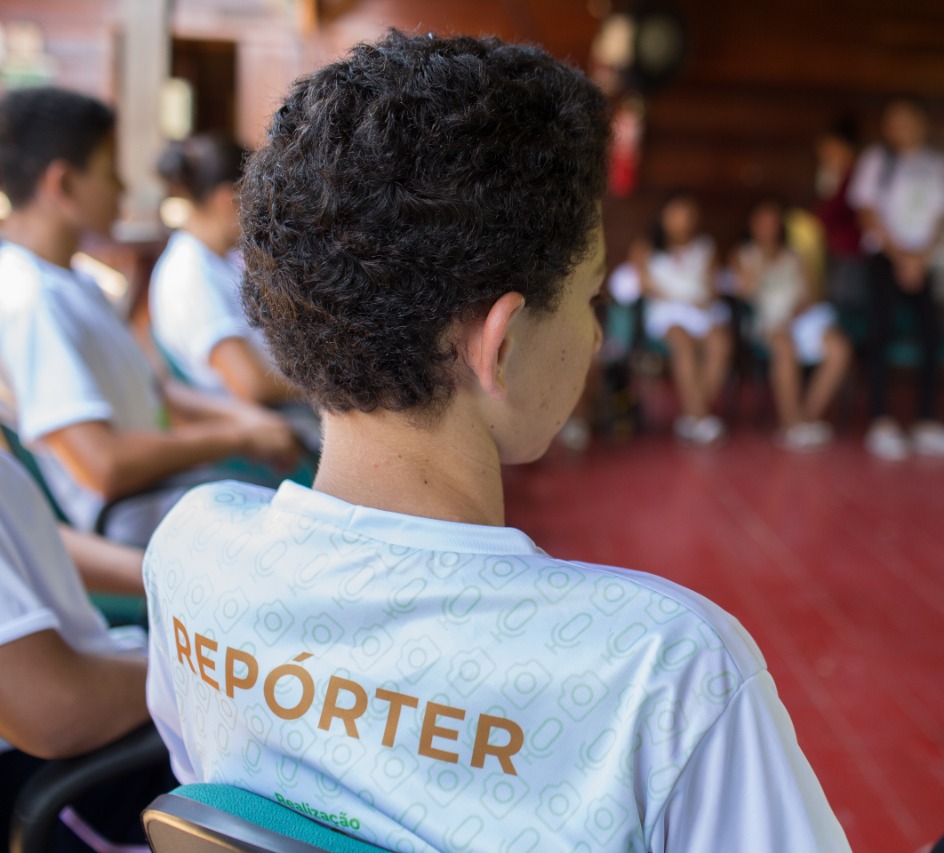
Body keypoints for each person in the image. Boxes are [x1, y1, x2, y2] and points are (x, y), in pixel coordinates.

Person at [145, 32, 848, 853]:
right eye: (588, 299)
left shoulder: (190, 552)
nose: (592, 340)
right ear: (501, 345)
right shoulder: (661, 678)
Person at [0, 87, 299, 546]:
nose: (122, 188)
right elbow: (103, 465)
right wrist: (235, 437)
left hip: (175, 494)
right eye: (108, 171)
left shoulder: (72, 280)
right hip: (140, 524)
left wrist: (244, 424)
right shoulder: (30, 301)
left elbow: (154, 390)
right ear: (61, 185)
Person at [0, 451, 174, 852]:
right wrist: (195, 669)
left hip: (103, 701)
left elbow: (27, 531)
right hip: (74, 779)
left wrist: (167, 571)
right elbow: (49, 706)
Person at [851, 97, 944, 461]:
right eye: (892, 121)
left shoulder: (934, 164)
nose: (897, 128)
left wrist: (921, 259)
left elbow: (939, 217)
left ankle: (927, 423)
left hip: (921, 262)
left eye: (904, 120)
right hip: (885, 261)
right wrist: (900, 257)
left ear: (921, 123)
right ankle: (881, 422)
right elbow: (867, 212)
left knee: (932, 336)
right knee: (881, 335)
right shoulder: (877, 160)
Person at [150, 133, 295, 405]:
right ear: (228, 199)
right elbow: (250, 384)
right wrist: (325, 387)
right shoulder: (190, 274)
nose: (264, 210)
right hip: (266, 430)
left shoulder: (215, 260)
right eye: (257, 197)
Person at [733, 198, 852, 451]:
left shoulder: (796, 255)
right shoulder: (743, 254)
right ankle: (790, 423)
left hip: (801, 319)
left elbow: (813, 294)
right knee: (784, 348)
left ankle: (806, 418)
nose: (767, 228)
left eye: (773, 222)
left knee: (839, 348)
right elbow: (745, 291)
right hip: (767, 322)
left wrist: (797, 311)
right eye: (762, 222)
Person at [633, 192, 733, 446]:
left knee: (721, 342)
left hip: (699, 310)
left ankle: (692, 415)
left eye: (688, 215)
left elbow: (712, 286)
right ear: (664, 217)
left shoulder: (706, 246)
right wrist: (675, 296)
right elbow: (641, 282)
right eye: (677, 215)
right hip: (665, 312)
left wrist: (703, 297)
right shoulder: (646, 246)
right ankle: (701, 416)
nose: (683, 221)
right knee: (683, 342)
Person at [814, 115, 865, 322]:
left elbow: (834, 211)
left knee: (846, 308)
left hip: (852, 254)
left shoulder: (856, 175)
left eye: (830, 148)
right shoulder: (831, 175)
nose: (825, 153)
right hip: (834, 251)